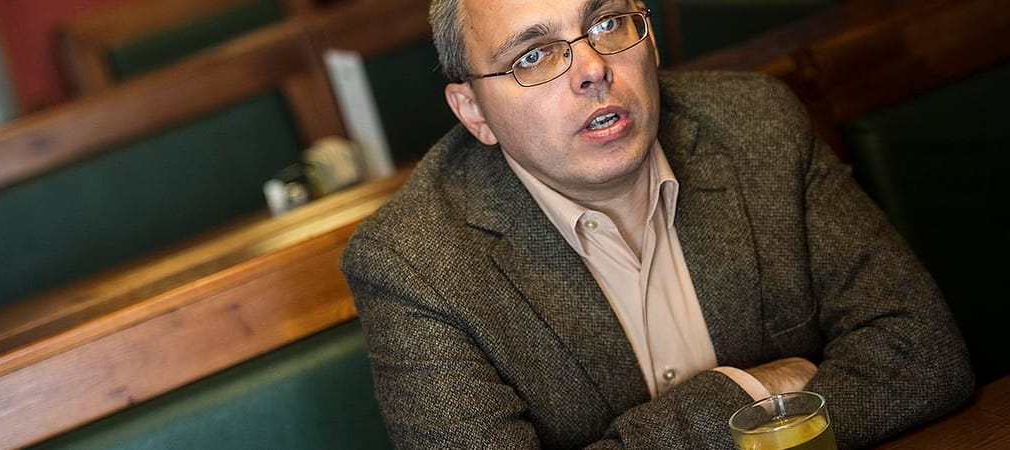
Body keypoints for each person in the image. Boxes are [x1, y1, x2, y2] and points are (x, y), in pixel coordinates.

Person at [340, 0, 974, 447]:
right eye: (533, 56)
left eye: (607, 23)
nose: (593, 68)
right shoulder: (414, 264)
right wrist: (747, 394)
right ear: (473, 111)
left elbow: (926, 357)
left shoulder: (756, 125)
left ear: (650, 36)